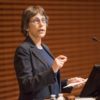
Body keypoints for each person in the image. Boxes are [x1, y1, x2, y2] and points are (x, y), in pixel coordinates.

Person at [14, 6, 86, 100]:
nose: (41, 24)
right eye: (36, 21)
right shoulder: (23, 50)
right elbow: (26, 85)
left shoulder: (45, 48)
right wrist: (53, 70)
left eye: (43, 20)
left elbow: (48, 83)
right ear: (26, 26)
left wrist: (68, 82)